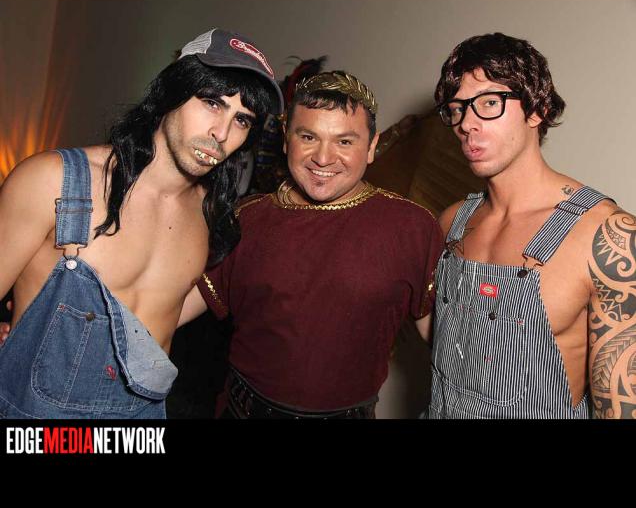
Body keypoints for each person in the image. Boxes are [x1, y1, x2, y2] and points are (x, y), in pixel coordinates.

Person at [0, 28, 283, 419]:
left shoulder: (211, 214)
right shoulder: (53, 180)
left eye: (242, 120)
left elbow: (169, 307)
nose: (221, 134)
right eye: (211, 103)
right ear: (171, 92)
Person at [178, 70, 444, 419]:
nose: (323, 158)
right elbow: (170, 308)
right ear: (286, 140)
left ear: (371, 147)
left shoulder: (412, 227)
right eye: (308, 137)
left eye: (344, 142)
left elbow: (445, 345)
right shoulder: (247, 218)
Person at [425, 32, 636, 419]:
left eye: (489, 103)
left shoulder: (605, 236)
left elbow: (622, 407)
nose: (466, 124)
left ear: (536, 110)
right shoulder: (451, 222)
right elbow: (450, 350)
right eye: (456, 109)